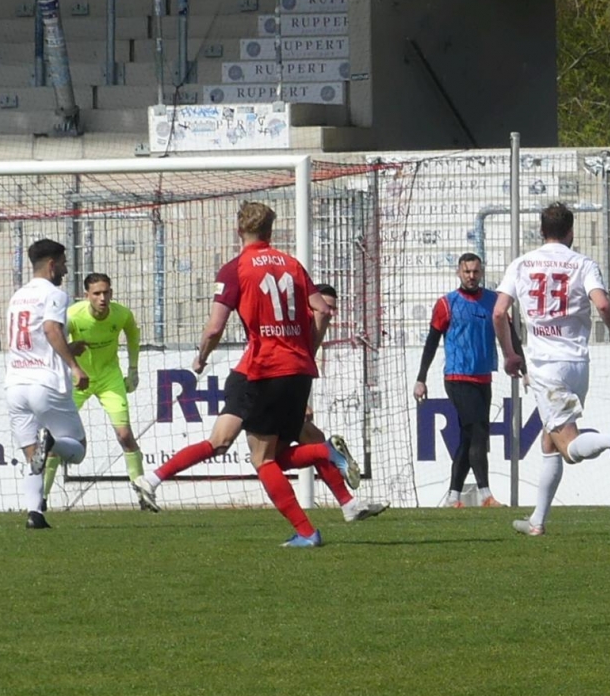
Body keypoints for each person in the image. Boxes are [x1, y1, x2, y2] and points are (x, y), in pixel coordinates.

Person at [143, 202, 358, 547]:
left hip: (264, 369)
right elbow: (322, 310)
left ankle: (313, 515)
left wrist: (200, 358)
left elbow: (215, 328)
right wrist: (307, 349)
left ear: (238, 230)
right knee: (274, 452)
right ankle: (333, 488)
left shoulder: (236, 268)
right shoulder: (292, 264)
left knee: (261, 458)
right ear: (271, 230)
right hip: (299, 369)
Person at [133, 277, 381, 523]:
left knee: (294, 446)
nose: (330, 313)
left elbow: (297, 367)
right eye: (326, 307)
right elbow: (295, 362)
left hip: (266, 383)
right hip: (249, 382)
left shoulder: (301, 324)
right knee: (225, 443)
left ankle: (347, 503)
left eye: (334, 308)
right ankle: (152, 479)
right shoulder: (301, 323)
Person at [492, 203, 610, 536]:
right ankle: (537, 522)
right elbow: (603, 305)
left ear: (541, 230)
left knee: (569, 449)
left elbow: (499, 313)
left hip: (546, 367)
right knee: (549, 442)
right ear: (571, 231)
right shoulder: (583, 264)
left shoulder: (522, 264)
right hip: (577, 364)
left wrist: (510, 354)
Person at [45, 273, 152, 510]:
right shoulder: (74, 315)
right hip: (79, 379)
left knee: (125, 435)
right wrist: (69, 362)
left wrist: (133, 369)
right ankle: (40, 500)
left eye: (106, 292)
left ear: (111, 293)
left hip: (109, 379)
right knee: (56, 438)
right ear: (87, 296)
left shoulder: (122, 314)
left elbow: (133, 335)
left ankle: (143, 493)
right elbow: (56, 345)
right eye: (96, 293)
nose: (102, 298)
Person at [4, 238, 90, 530]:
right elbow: (51, 329)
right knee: (77, 449)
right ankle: (52, 442)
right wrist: (74, 366)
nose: (65, 269)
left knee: (34, 456)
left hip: (15, 385)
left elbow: (34, 339)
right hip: (44, 383)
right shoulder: (55, 294)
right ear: (52, 265)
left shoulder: (17, 296)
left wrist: (68, 349)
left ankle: (34, 514)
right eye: (63, 263)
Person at [414, 252, 501, 508]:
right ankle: (485, 494)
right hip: (457, 377)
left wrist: (517, 360)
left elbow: (509, 333)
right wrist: (421, 378)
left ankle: (453, 496)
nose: (471, 276)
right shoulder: (447, 303)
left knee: (468, 435)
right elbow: (431, 342)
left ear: (481, 272)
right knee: (478, 431)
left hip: (483, 377)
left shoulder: (493, 301)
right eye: (467, 272)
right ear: (459, 273)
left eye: (475, 272)